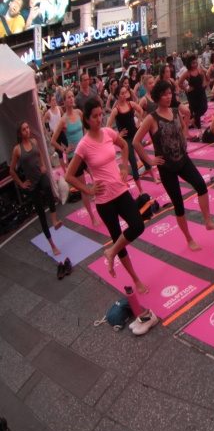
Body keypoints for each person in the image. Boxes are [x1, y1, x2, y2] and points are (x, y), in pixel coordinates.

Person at [65, 99, 149, 296]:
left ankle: (110, 252)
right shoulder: (83, 145)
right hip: (104, 200)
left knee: (138, 225)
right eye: (94, 116)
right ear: (86, 119)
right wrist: (88, 189)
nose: (98, 119)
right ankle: (135, 278)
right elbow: (69, 175)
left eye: (100, 114)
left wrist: (125, 167)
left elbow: (125, 146)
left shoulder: (109, 133)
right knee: (116, 237)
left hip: (120, 191)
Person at [134, 80, 214, 251]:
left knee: (201, 185)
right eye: (164, 94)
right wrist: (150, 160)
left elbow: (184, 127)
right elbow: (136, 141)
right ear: (157, 97)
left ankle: (208, 221)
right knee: (178, 203)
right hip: (166, 166)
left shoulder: (176, 112)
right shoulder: (151, 118)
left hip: (183, 160)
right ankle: (189, 238)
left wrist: (183, 142)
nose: (168, 97)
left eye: (170, 94)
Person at [11, 121, 63, 257]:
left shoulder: (34, 141)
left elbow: (40, 154)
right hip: (31, 184)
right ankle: (52, 245)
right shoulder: (17, 149)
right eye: (24, 129)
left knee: (47, 186)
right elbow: (11, 171)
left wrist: (43, 165)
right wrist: (22, 184)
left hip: (40, 176)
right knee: (40, 213)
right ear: (20, 133)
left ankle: (55, 220)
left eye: (28, 128)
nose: (27, 130)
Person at [50, 90, 98, 226]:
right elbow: (53, 141)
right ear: (64, 101)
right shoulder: (63, 120)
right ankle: (92, 216)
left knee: (96, 175)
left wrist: (89, 140)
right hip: (74, 157)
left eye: (72, 97)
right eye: (68, 98)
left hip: (85, 153)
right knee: (83, 188)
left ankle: (102, 200)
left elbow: (87, 128)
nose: (71, 99)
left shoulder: (79, 113)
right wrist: (64, 149)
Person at [106, 83, 152, 194]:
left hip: (135, 135)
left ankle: (154, 177)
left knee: (144, 157)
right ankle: (140, 189)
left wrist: (139, 121)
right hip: (126, 140)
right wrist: (118, 135)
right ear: (117, 96)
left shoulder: (130, 104)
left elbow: (140, 110)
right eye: (122, 93)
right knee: (133, 163)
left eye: (125, 92)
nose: (124, 95)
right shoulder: (116, 110)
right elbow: (108, 126)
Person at [178, 55, 209, 130]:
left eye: (196, 63)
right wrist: (186, 89)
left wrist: (204, 83)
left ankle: (193, 119)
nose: (195, 64)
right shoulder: (187, 73)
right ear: (189, 64)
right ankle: (199, 132)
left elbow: (203, 76)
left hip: (201, 92)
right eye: (193, 63)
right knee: (196, 111)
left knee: (204, 107)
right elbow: (179, 83)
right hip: (192, 95)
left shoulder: (199, 70)